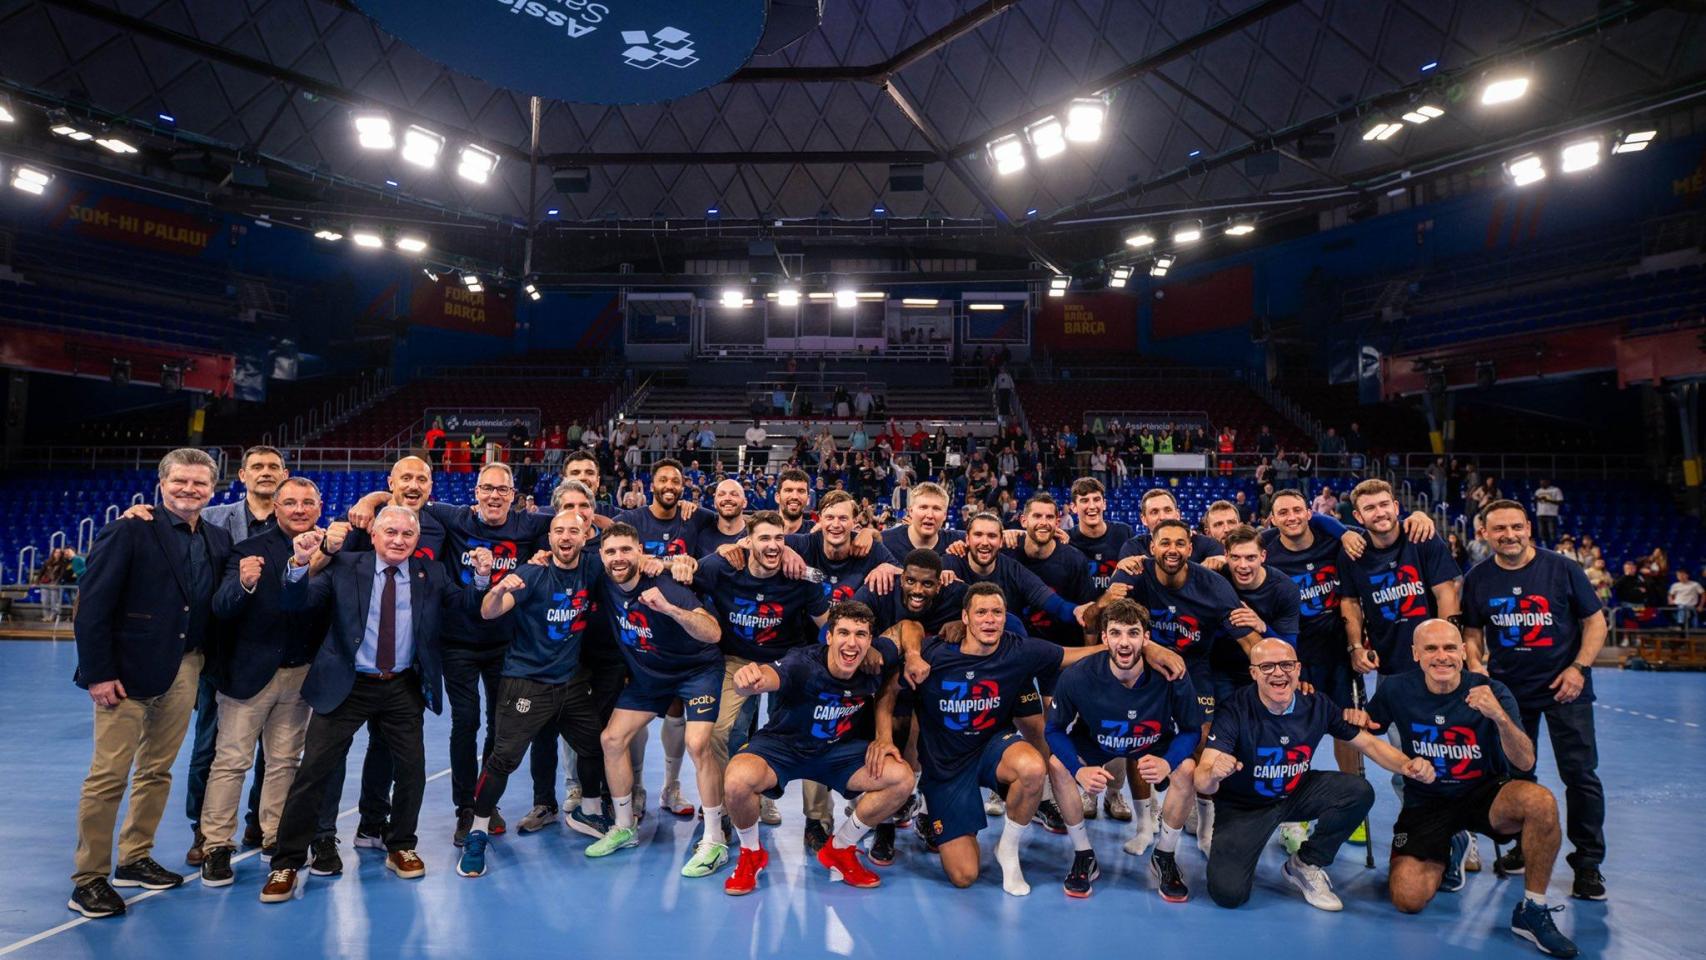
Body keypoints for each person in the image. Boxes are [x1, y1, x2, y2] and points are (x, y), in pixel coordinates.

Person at [260, 506, 481, 903]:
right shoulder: (346, 566)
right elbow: (298, 602)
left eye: (407, 534)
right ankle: (287, 860)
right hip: (348, 682)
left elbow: (465, 607)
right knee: (313, 772)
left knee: (412, 769)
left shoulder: (431, 573)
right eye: (390, 532)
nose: (399, 540)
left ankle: (400, 843)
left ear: (416, 540)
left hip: (401, 685)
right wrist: (297, 564)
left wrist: (482, 579)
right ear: (375, 535)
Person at [69, 449, 233, 919]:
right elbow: (93, 607)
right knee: (107, 777)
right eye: (180, 481)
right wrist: (98, 673)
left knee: (157, 770)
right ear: (161, 484)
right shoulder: (128, 529)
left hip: (185, 668)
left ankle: (134, 857)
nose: (189, 490)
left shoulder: (218, 538)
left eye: (199, 484)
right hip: (124, 672)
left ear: (212, 489)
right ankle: (88, 879)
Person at [1363, 620, 1580, 958]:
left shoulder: (1491, 690)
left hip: (1485, 795)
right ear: (1415, 654)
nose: (1442, 657)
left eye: (1450, 648)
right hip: (1426, 802)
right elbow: (1366, 728)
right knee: (1408, 900)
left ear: (1463, 652)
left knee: (1540, 802)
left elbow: (1524, 762)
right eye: (1431, 649)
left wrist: (1499, 717)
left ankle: (1533, 909)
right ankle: (1453, 843)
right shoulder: (1396, 690)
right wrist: (1351, 718)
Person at [894, 583, 1104, 895]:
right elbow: (904, 628)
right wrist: (911, 654)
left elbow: (1074, 655)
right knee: (964, 875)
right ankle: (938, 815)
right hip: (946, 769)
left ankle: (1008, 849)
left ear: (1006, 618)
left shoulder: (1018, 650)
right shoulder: (933, 654)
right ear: (965, 617)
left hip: (992, 749)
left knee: (1033, 767)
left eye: (997, 612)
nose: (990, 619)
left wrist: (1141, 648)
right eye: (981, 612)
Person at [1195, 638, 1435, 910]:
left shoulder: (1317, 705)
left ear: (1298, 669)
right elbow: (1202, 779)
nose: (1278, 673)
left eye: (1286, 665)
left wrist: (1407, 765)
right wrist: (1214, 772)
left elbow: (1368, 743)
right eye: (1267, 666)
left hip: (1295, 792)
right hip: (1245, 805)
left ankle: (1305, 863)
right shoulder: (1234, 709)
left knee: (1357, 791)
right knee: (1228, 894)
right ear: (1253, 673)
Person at [455, 511, 616, 879]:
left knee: (593, 745)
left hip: (571, 682)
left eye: (573, 531)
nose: (565, 537)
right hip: (526, 682)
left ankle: (589, 810)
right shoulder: (532, 573)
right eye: (558, 530)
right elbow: (488, 612)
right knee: (503, 760)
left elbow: (626, 548)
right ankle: (477, 832)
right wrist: (497, 589)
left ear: (584, 536)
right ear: (550, 536)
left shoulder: (592, 568)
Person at [1460, 500, 1607, 900]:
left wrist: (1579, 668)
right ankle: (1522, 848)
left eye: (1516, 527)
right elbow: (1472, 632)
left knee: (1580, 775)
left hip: (1566, 690)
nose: (1509, 535)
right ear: (1485, 534)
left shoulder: (1562, 568)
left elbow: (1594, 621)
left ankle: (1588, 865)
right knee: (1516, 776)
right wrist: (1477, 667)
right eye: (1499, 529)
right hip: (1510, 694)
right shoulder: (1477, 579)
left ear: (1528, 527)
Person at [198, 478, 337, 888]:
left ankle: (278, 837)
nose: (299, 509)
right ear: (275, 507)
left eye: (307, 502)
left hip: (299, 676)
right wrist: (243, 583)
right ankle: (216, 846)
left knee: (284, 763)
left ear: (319, 506)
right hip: (248, 676)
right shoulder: (248, 550)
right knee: (231, 763)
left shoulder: (330, 548)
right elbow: (221, 609)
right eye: (290, 502)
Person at [722, 602, 915, 894]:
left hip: (837, 752)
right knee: (737, 779)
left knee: (901, 778)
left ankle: (841, 847)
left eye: (861, 635)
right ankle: (751, 854)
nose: (851, 643)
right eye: (844, 633)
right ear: (828, 637)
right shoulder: (802, 663)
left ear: (870, 640)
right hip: (784, 747)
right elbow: (768, 676)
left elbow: (908, 627)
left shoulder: (875, 659)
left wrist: (912, 654)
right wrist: (747, 680)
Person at [1106, 517, 1262, 854]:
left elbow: (1249, 640)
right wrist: (1149, 647)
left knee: (1204, 746)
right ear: (1152, 547)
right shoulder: (1134, 574)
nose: (1172, 550)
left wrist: (1269, 674)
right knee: (1139, 742)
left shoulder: (1212, 585)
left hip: (1195, 670)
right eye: (1165, 543)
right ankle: (1145, 826)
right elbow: (1106, 621)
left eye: (1180, 544)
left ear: (1190, 548)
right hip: (1144, 670)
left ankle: (1206, 830)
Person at [583, 524, 728, 877]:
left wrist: (669, 609)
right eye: (611, 551)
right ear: (602, 557)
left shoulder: (665, 585)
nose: (619, 558)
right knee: (611, 739)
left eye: (626, 550)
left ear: (639, 553)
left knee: (698, 744)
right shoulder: (604, 581)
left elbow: (713, 633)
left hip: (696, 671)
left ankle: (715, 837)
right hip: (651, 677)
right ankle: (624, 826)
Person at [691, 512, 832, 850]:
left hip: (789, 662)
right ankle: (724, 807)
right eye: (764, 539)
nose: (772, 546)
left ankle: (816, 819)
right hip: (735, 659)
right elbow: (686, 582)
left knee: (812, 730)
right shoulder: (721, 565)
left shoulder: (801, 573)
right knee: (715, 732)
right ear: (747, 541)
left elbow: (826, 620)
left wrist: (831, 670)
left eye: (779, 539)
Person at [1044, 600, 1202, 900]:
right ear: (1104, 638)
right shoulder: (1078, 676)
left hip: (1153, 742)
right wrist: (1079, 769)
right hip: (1097, 741)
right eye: (1115, 633)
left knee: (1188, 769)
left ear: (1146, 638)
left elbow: (1191, 730)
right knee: (1057, 764)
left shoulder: (1171, 673)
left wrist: (1168, 763)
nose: (1124, 642)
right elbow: (1053, 729)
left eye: (1133, 633)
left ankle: (1165, 855)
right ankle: (1083, 854)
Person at [1532, 479, 1563, 546]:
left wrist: (1548, 500)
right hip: (1540, 514)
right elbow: (1535, 502)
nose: (1542, 483)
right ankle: (1544, 547)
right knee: (1541, 533)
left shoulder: (1555, 490)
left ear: (1548, 481)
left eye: (1544, 481)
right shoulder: (1538, 491)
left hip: (1551, 514)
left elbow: (1560, 501)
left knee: (1552, 533)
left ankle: (1553, 547)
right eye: (1541, 481)